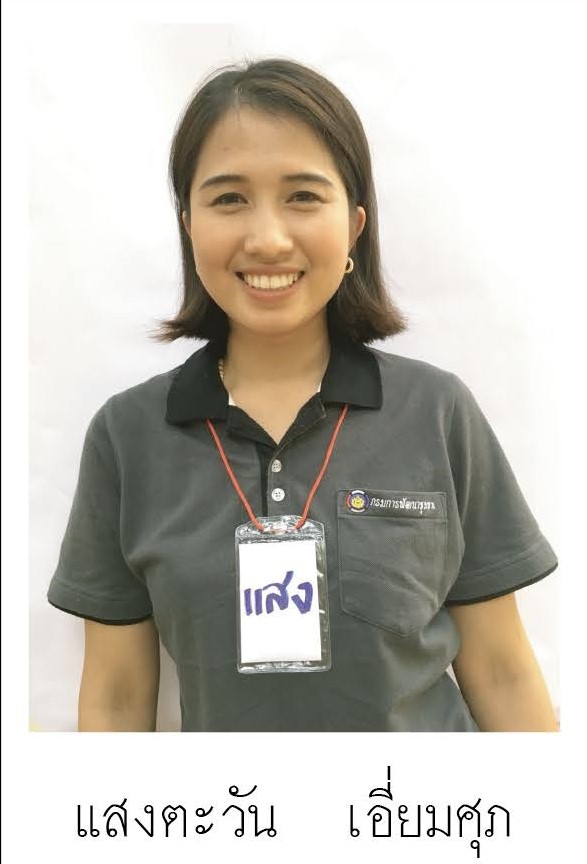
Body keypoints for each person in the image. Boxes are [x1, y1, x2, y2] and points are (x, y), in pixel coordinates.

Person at [47, 58, 558, 732]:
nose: (267, 238)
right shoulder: (126, 435)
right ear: (188, 224)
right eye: (229, 199)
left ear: (354, 225)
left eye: (303, 197)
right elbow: (115, 696)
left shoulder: (437, 413)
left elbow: (502, 670)